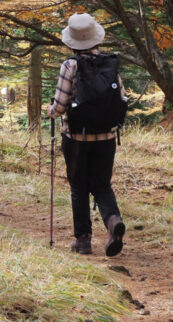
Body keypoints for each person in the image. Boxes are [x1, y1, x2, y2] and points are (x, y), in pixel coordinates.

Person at [47, 13, 127, 256]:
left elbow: (60, 106)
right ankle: (113, 222)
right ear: (96, 39)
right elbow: (122, 98)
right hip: (107, 137)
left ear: (72, 41)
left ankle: (83, 240)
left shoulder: (70, 65)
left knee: (79, 187)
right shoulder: (109, 64)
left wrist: (50, 110)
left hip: (76, 139)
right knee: (102, 185)